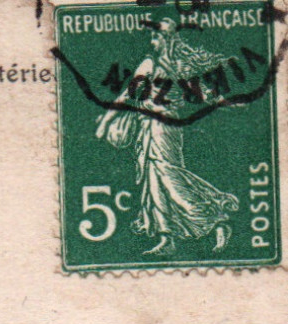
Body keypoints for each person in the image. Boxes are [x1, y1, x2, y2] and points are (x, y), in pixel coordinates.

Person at [94, 19, 238, 256]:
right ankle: (167, 237)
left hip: (164, 128)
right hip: (149, 127)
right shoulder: (162, 65)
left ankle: (214, 219)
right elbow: (127, 95)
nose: (152, 42)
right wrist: (108, 119)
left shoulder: (170, 67)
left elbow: (200, 94)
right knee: (156, 179)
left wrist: (224, 101)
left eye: (156, 37)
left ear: (167, 39)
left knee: (167, 176)